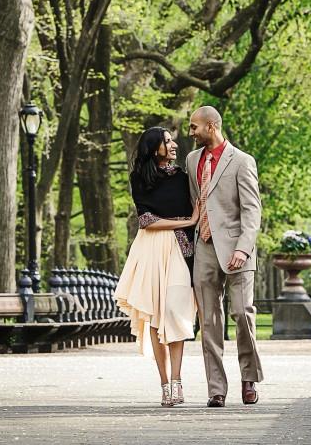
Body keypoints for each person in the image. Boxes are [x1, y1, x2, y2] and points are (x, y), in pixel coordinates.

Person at [114, 127, 198, 408]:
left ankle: (178, 380)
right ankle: (164, 385)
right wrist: (186, 221)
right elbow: (147, 220)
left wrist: (190, 222)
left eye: (172, 140)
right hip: (150, 249)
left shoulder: (183, 178)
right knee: (154, 314)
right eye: (168, 141)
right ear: (155, 148)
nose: (174, 145)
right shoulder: (139, 177)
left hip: (179, 250)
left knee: (175, 310)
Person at [186, 105, 264, 408]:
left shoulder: (242, 161)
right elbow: (197, 202)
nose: (190, 132)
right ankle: (216, 389)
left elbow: (251, 209)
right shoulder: (192, 160)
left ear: (211, 125)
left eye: (194, 127)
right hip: (203, 246)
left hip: (237, 249)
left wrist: (243, 248)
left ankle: (249, 379)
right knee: (209, 321)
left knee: (243, 314)